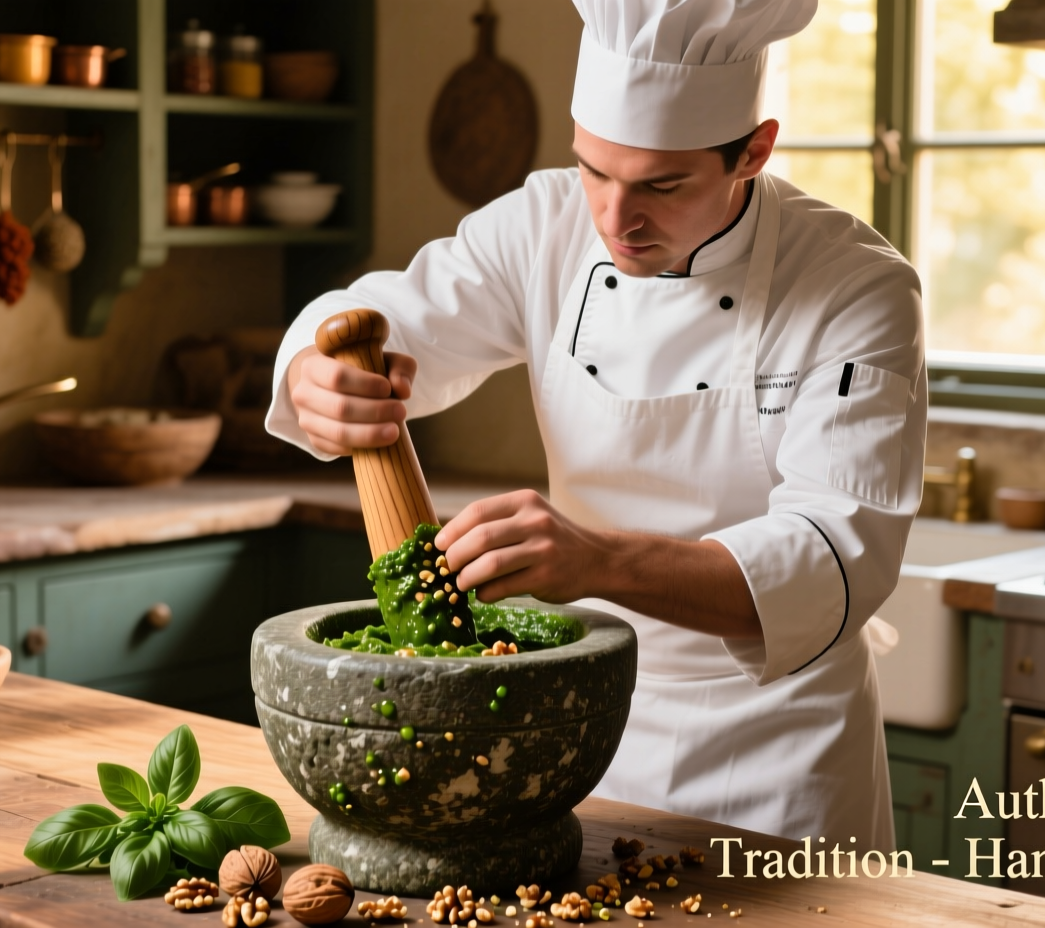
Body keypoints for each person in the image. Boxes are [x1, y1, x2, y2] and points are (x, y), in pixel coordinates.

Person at [268, 0, 925, 850]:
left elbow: (833, 560)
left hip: (775, 755)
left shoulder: (855, 288)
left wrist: (597, 557)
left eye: (661, 184)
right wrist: (315, 375)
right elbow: (380, 319)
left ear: (753, 153)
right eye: (593, 171)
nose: (615, 220)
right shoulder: (542, 224)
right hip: (573, 739)